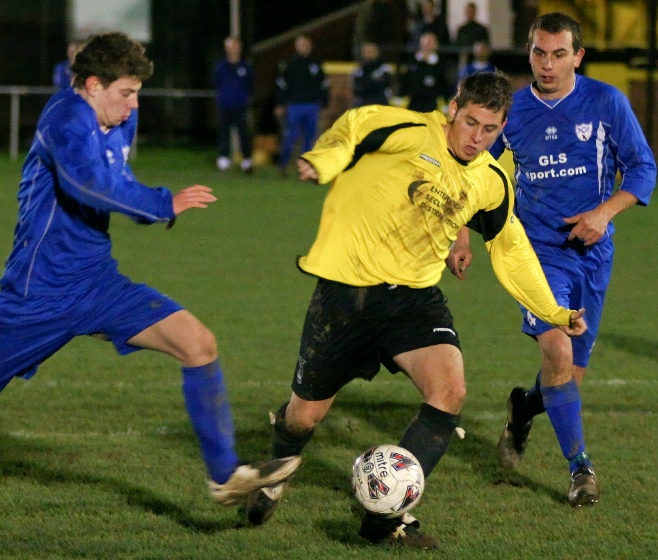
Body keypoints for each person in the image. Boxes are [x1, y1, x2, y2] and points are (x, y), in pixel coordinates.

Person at [0, 31, 301, 539]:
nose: (134, 104)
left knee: (199, 343)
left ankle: (224, 474)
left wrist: (148, 210)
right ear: (93, 85)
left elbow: (118, 177)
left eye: (138, 92)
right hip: (37, 295)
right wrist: (163, 203)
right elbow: (89, 184)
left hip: (97, 283)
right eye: (126, 92)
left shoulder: (119, 116)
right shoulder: (64, 119)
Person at [244, 72, 587, 549]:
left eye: (490, 130)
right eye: (470, 123)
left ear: (502, 127)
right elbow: (357, 125)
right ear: (452, 109)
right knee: (304, 417)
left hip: (414, 297)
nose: (476, 138)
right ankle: (276, 472)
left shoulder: (490, 181)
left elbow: (511, 248)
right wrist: (325, 159)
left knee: (449, 391)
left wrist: (552, 310)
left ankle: (385, 518)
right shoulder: (408, 131)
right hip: (349, 293)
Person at [446, 12, 656, 508]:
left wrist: (604, 213)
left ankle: (523, 407)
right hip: (534, 252)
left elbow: (643, 168)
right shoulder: (512, 111)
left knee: (569, 379)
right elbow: (471, 169)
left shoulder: (607, 103)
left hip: (593, 254)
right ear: (530, 52)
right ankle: (580, 469)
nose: (547, 63)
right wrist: (461, 236)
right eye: (539, 52)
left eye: (559, 53)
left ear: (578, 56)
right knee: (558, 353)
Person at [274, 34, 330, 176]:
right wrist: (280, 104)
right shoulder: (290, 64)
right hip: (295, 106)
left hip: (312, 105)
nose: (303, 47)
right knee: (290, 136)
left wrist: (323, 103)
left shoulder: (316, 64)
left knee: (309, 139)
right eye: (300, 44)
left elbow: (324, 85)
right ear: (296, 46)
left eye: (305, 44)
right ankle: (283, 165)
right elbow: (282, 85)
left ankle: (305, 169)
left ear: (310, 45)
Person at [212, 36, 254, 174]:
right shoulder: (220, 67)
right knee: (224, 132)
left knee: (243, 133)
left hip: (240, 106)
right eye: (229, 47)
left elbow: (250, 86)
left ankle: (246, 160)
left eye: (234, 46)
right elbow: (216, 84)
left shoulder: (245, 67)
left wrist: (246, 99)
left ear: (239, 48)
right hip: (225, 105)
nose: (232, 49)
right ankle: (223, 158)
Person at [399, 32, 454, 113]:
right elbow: (405, 81)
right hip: (414, 102)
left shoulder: (442, 63)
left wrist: (446, 101)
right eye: (426, 43)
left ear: (436, 45)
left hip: (433, 104)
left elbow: (446, 84)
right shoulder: (412, 61)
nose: (427, 46)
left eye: (430, 43)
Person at [351, 42, 394, 107]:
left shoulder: (384, 69)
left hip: (380, 105)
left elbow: (384, 86)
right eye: (365, 52)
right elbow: (356, 89)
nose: (367, 55)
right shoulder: (359, 70)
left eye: (370, 52)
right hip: (362, 105)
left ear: (376, 53)